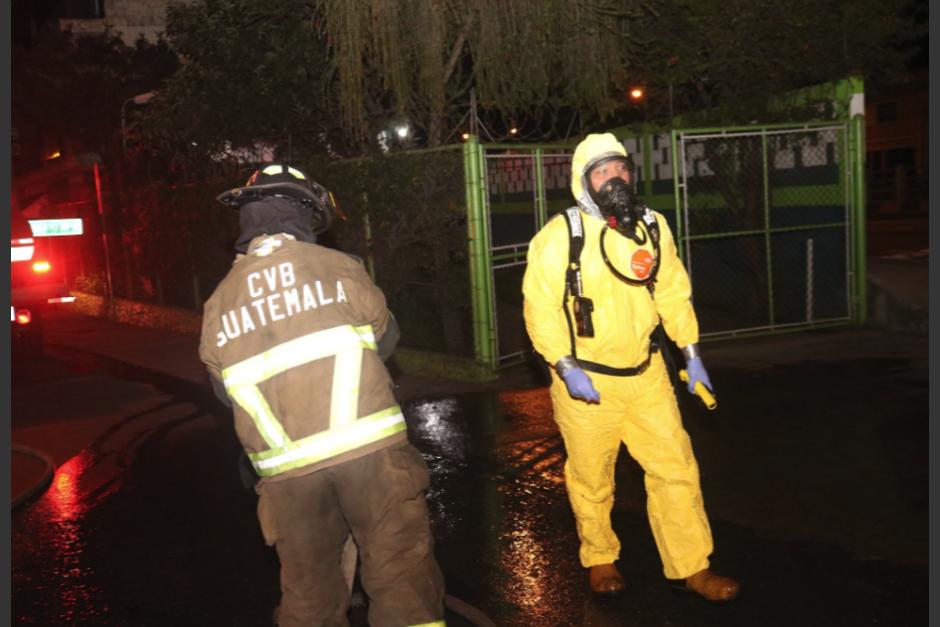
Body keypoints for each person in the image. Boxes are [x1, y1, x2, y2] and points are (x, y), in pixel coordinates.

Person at [199, 164, 446, 626]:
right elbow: (386, 338)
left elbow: (224, 393)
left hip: (288, 478)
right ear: (304, 215)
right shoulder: (338, 268)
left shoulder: (218, 303)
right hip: (370, 457)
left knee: (309, 595)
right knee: (401, 579)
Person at [521, 134, 740, 602]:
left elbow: (673, 293)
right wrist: (564, 364)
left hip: (646, 376)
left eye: (620, 169)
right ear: (583, 182)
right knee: (592, 478)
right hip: (587, 382)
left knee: (675, 469)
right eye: (602, 172)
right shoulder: (561, 236)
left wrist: (692, 355)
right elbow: (540, 308)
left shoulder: (652, 228)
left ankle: (692, 566)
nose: (614, 180)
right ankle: (600, 557)